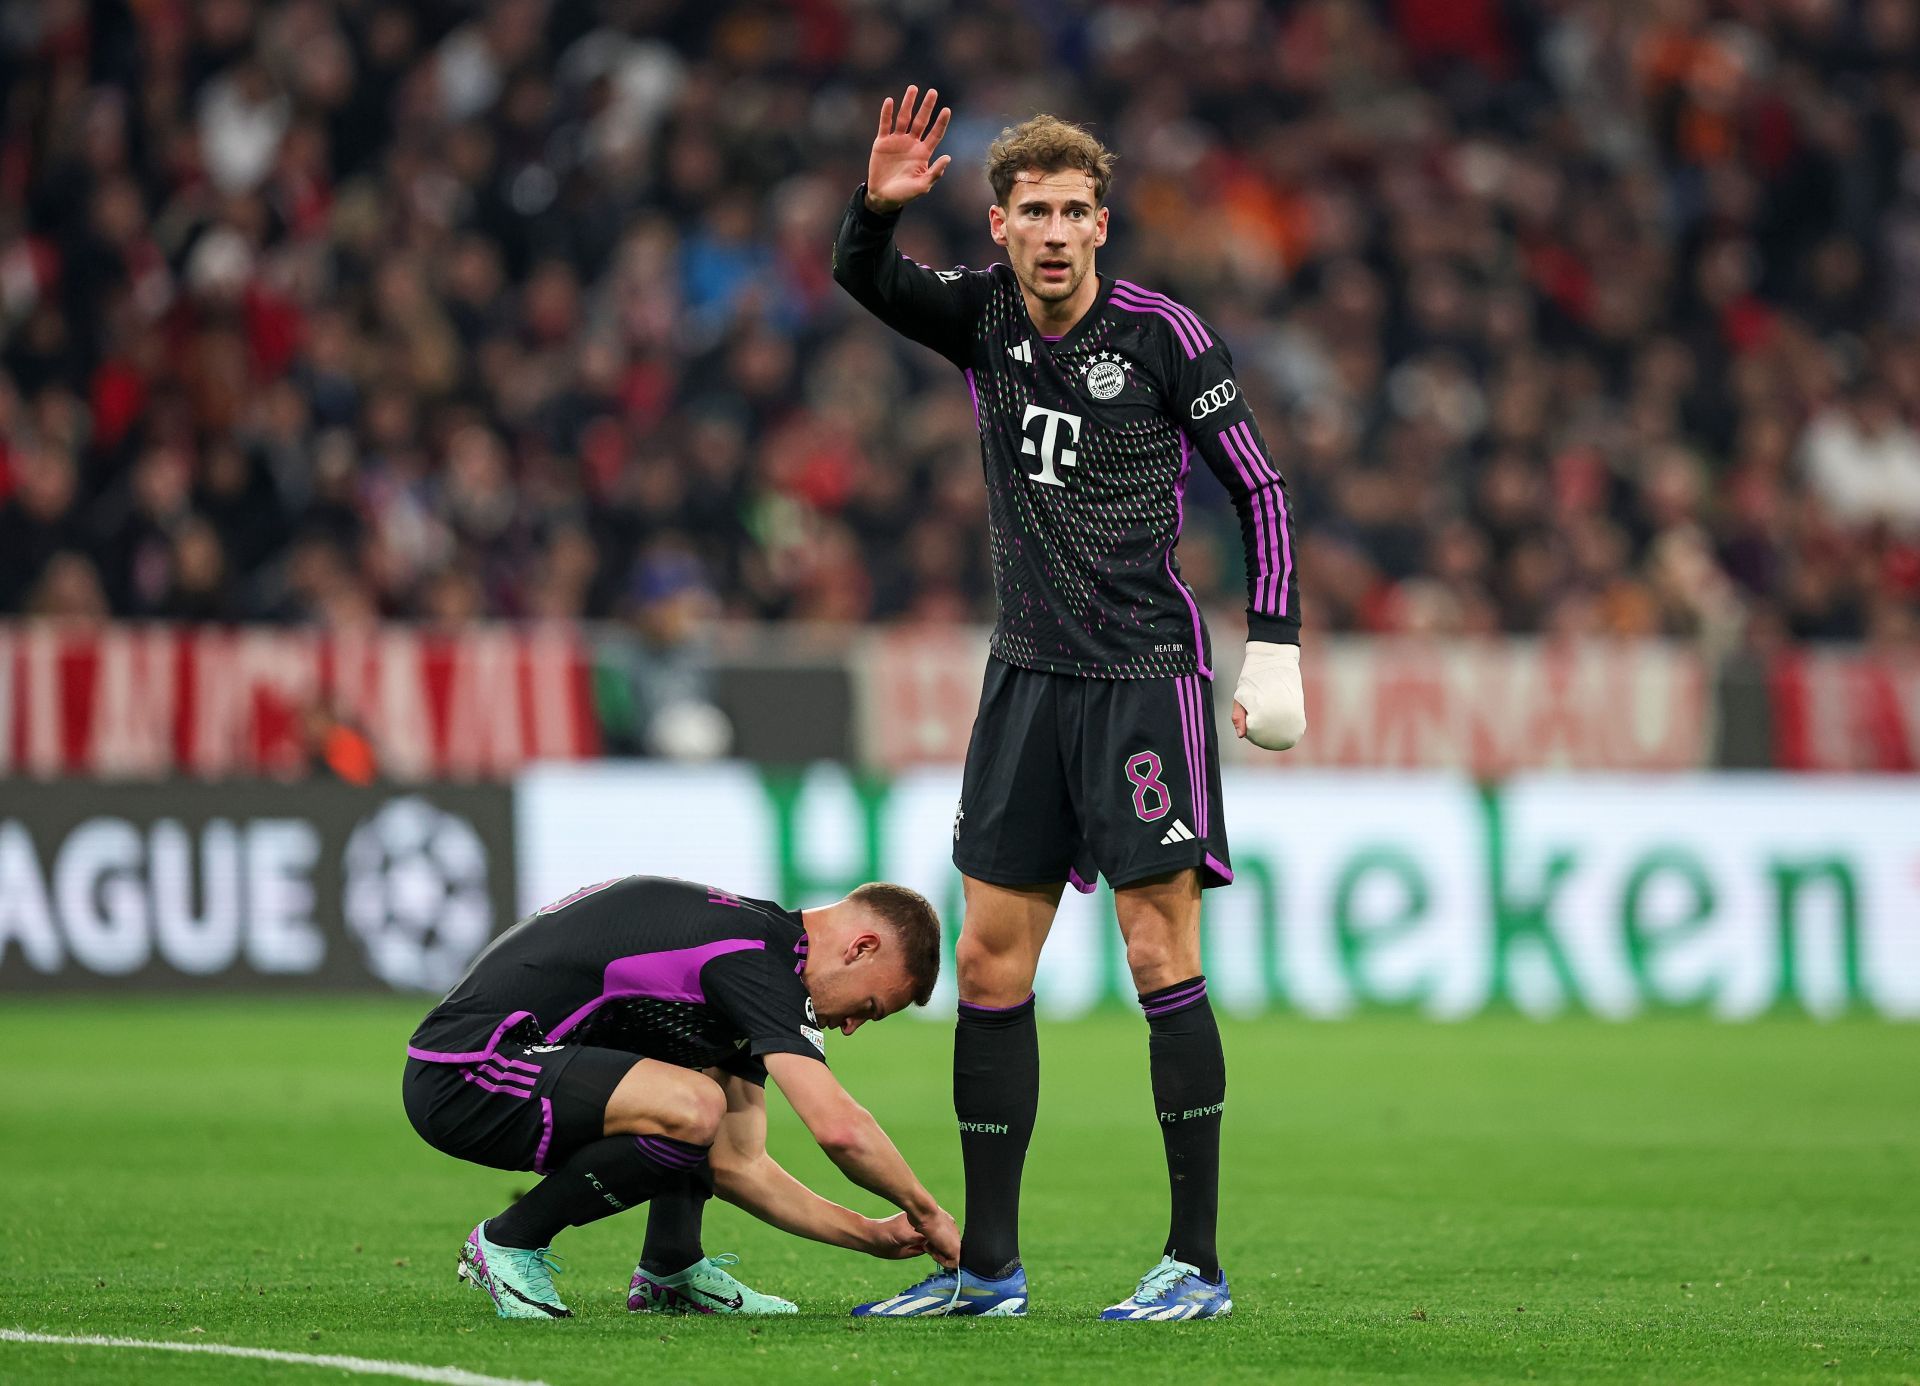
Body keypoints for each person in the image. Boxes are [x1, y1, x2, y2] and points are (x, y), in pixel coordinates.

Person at [831, 89, 1307, 1321]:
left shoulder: (1164, 336)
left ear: (1104, 226)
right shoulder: (984, 318)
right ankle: (987, 1268)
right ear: (997, 226)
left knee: (1159, 953)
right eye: (1031, 211)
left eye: (1073, 212)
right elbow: (864, 280)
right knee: (990, 965)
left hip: (1145, 680)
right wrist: (875, 213)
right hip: (1028, 679)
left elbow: (1260, 490)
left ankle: (1193, 1265)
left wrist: (1275, 649)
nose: (1052, 232)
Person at [402, 874, 961, 1319]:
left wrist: (872, 1235)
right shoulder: (756, 962)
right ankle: (507, 1243)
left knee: (700, 1100)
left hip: (519, 1069)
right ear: (861, 948)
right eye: (869, 1008)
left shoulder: (763, 963)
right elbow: (838, 1128)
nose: (851, 1028)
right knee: (693, 1103)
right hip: (467, 1074)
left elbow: (737, 1163)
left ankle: (672, 1268)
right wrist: (927, 1212)